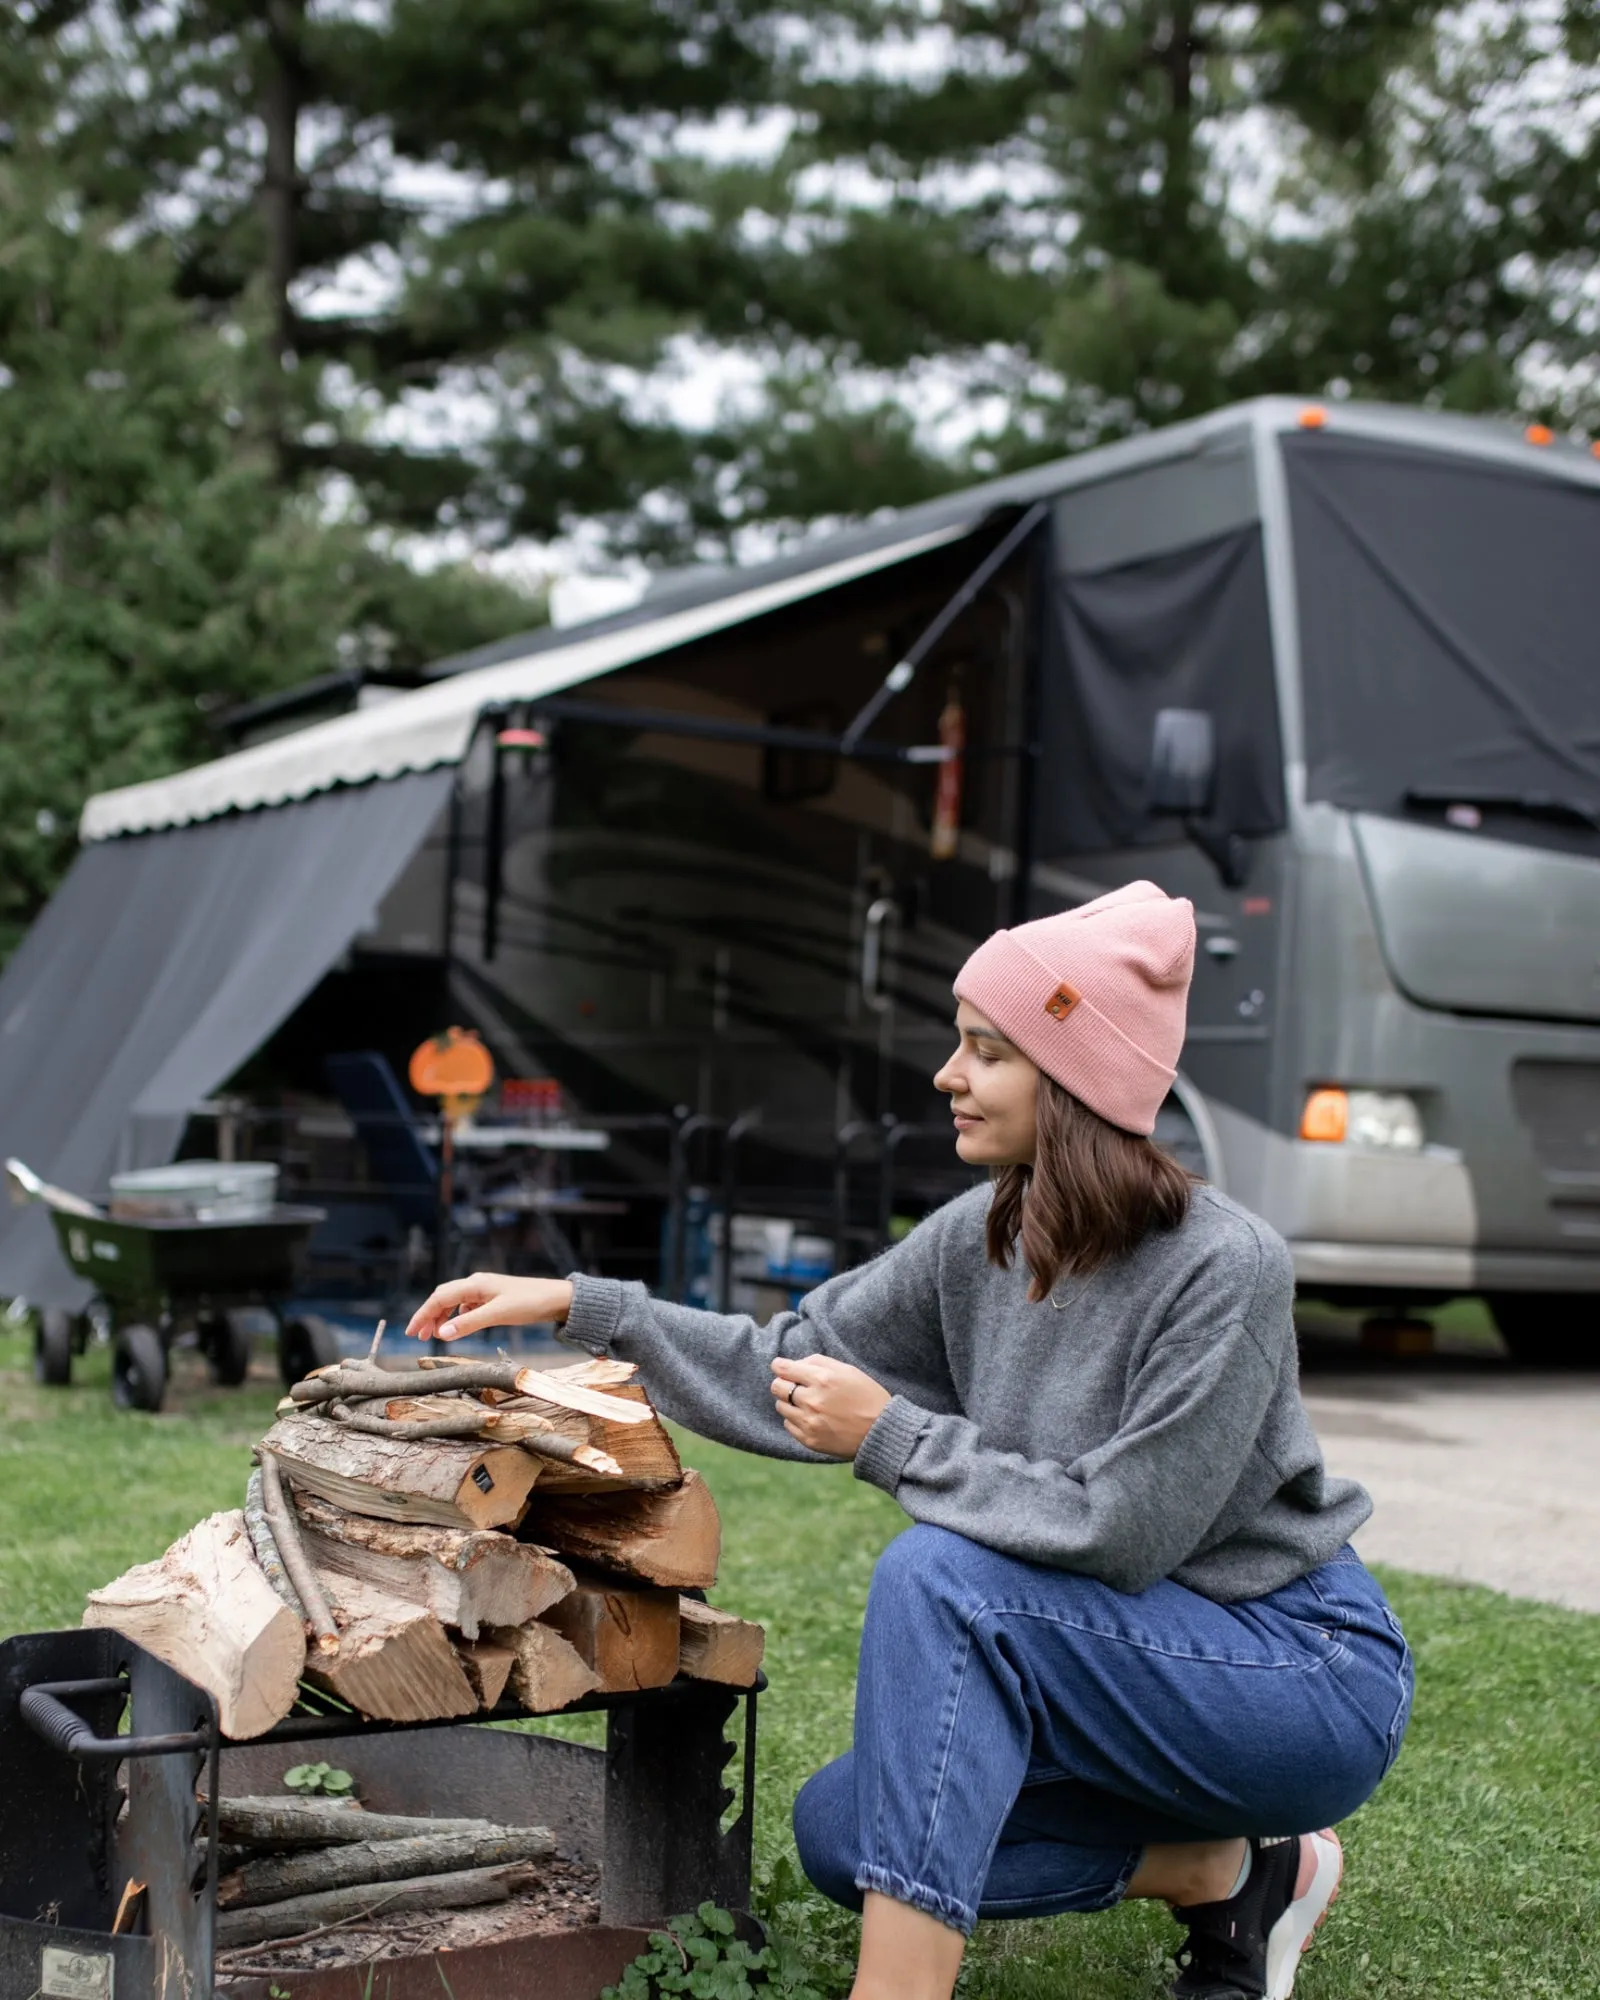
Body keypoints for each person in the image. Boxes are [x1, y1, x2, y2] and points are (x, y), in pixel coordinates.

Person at [405, 881, 1413, 2000]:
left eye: (986, 1050)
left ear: (1074, 1078)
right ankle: (1226, 1870)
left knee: (945, 1577)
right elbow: (786, 1359)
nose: (946, 1073)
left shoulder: (1226, 1266)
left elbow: (1123, 1527)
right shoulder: (980, 1238)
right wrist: (584, 1304)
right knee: (847, 1832)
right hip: (1107, 1667)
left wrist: (889, 1432)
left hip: (1293, 1676)